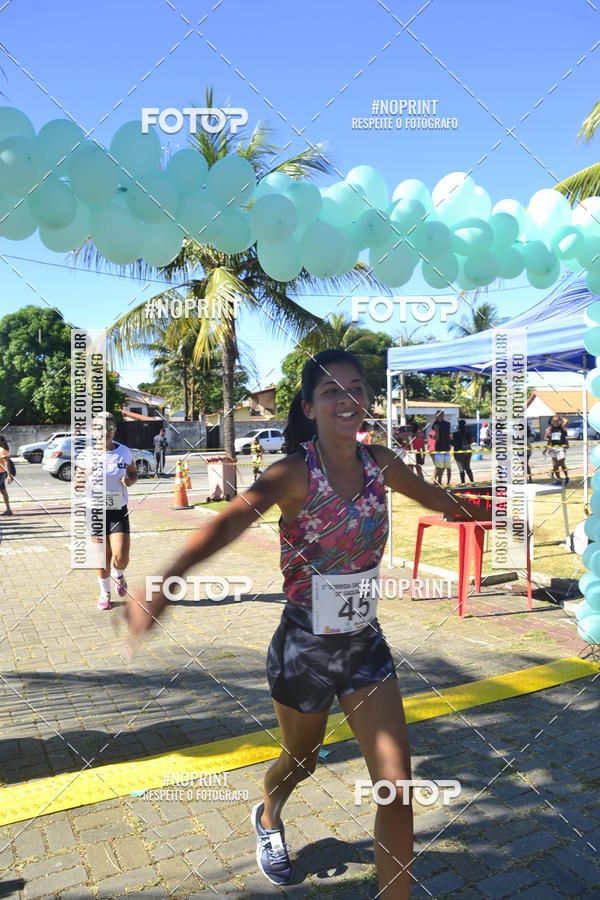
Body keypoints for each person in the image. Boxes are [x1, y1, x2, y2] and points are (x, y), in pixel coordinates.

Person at [125, 349, 490, 896]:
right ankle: (269, 811)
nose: (347, 400)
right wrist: (167, 580)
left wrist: (481, 510)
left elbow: (434, 495)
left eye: (356, 388)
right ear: (309, 407)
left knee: (398, 787)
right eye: (331, 392)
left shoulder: (381, 463)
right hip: (303, 647)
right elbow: (227, 523)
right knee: (301, 763)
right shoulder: (295, 472)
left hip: (365, 646)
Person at [75, 412, 138, 610]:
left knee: (121, 556)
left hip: (117, 508)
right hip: (94, 509)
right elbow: (77, 483)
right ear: (93, 431)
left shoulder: (124, 452)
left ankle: (119, 575)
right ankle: (105, 592)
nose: (106, 432)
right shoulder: (85, 455)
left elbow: (134, 474)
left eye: (110, 428)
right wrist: (82, 478)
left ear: (115, 429)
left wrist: (130, 480)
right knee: (102, 556)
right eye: (100, 428)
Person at [545, 414, 569, 486]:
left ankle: (567, 477)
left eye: (557, 421)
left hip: (560, 447)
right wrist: (549, 439)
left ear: (559, 421)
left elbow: (566, 421)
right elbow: (545, 438)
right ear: (551, 422)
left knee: (561, 463)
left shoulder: (562, 427)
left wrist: (559, 416)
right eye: (554, 421)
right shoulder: (549, 429)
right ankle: (558, 479)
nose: (555, 422)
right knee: (555, 465)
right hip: (552, 448)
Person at [432, 410, 452, 486]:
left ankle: (445, 482)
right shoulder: (435, 424)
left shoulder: (447, 424)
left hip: (446, 448)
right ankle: (438, 481)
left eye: (439, 415)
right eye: (437, 415)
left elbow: (447, 436)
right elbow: (436, 438)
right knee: (439, 467)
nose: (438, 416)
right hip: (439, 448)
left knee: (446, 467)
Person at [452, 419, 474, 484]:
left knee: (461, 468)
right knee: (467, 467)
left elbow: (452, 443)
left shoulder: (455, 434)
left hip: (458, 452)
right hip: (468, 451)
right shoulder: (468, 433)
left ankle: (463, 483)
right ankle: (472, 482)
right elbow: (472, 441)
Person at [0, 436, 15, 516]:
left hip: (1, 473)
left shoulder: (2, 451)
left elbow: (7, 464)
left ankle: (8, 509)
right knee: (3, 491)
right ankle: (8, 510)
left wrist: (9, 475)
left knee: (3, 492)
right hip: (1, 473)